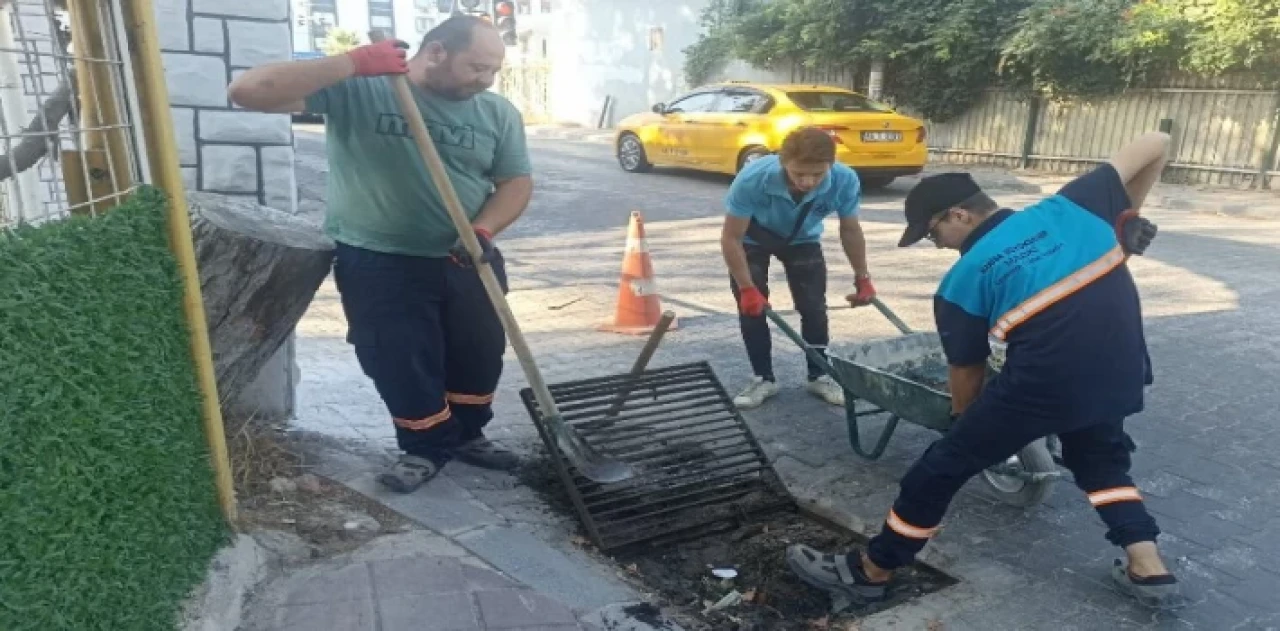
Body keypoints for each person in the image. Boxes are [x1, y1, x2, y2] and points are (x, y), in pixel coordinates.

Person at [785, 132, 1180, 609]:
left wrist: (961, 427)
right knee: (1100, 459)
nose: (937, 246)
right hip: (1121, 370)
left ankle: (871, 572)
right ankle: (1147, 566)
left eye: (933, 233)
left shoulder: (963, 279)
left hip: (1043, 383)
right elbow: (1157, 141)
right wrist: (1125, 217)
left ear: (959, 215)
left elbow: (967, 371)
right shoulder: (1070, 207)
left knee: (938, 470)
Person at [228, 15, 533, 493]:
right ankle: (425, 446)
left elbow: (515, 182)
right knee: (400, 357)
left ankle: (467, 436)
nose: (486, 80)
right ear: (437, 52)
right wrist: (353, 62)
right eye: (477, 67)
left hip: (468, 257)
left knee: (479, 353)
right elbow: (248, 91)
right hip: (379, 260)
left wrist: (483, 228)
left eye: (493, 70)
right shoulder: (361, 91)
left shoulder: (497, 113)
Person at [720, 127, 877, 409]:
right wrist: (747, 288)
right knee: (752, 309)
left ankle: (820, 375)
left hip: (802, 238)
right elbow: (731, 237)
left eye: (818, 174)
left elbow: (850, 229)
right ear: (783, 162)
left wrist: (862, 277)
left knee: (814, 308)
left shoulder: (844, 179)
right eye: (799, 173)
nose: (808, 182)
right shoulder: (752, 179)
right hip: (752, 238)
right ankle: (763, 378)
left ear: (831, 164)